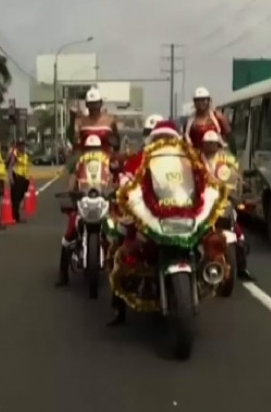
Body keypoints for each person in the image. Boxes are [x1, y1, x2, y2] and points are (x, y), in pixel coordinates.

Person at [108, 120, 183, 326]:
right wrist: (126, 189)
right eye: (159, 138)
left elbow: (199, 180)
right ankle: (119, 307)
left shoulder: (185, 160)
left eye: (168, 138)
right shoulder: (140, 159)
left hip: (179, 216)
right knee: (121, 249)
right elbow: (126, 178)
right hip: (147, 217)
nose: (164, 142)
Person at [56, 134, 114, 288]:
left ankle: (119, 273)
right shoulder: (83, 161)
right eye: (91, 149)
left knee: (116, 234)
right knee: (69, 235)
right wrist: (72, 193)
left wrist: (114, 192)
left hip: (98, 200)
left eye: (94, 149)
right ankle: (63, 274)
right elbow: (73, 181)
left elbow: (113, 179)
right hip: (88, 200)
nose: (92, 152)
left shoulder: (103, 161)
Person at [199, 129, 252, 281]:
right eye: (207, 144)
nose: (210, 147)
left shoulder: (225, 160)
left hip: (222, 202)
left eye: (213, 144)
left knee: (238, 235)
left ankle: (242, 268)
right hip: (201, 204)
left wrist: (236, 190)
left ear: (218, 145)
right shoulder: (196, 160)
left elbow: (234, 177)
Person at [183, 87, 234, 153]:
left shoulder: (218, 117)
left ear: (209, 101)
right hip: (196, 157)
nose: (201, 103)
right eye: (198, 100)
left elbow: (229, 136)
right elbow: (185, 141)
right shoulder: (189, 122)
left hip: (218, 156)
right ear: (194, 102)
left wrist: (233, 156)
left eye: (203, 100)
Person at [7, 138, 31, 223]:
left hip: (24, 179)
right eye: (20, 145)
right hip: (17, 177)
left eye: (23, 145)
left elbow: (27, 167)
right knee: (16, 198)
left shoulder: (25, 155)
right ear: (17, 146)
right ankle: (16, 216)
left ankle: (15, 214)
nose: (22, 147)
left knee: (20, 197)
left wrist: (28, 178)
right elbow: (10, 166)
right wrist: (11, 179)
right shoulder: (14, 155)